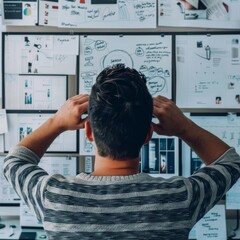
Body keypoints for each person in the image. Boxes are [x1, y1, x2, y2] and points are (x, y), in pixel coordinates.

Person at [3, 64, 240, 240]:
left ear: (88, 131)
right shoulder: (180, 198)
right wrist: (185, 128)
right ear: (149, 135)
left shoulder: (53, 198)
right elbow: (229, 163)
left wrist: (57, 122)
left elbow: (14, 162)